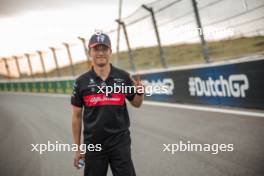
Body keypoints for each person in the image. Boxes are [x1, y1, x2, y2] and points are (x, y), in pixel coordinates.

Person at [71, 32, 144, 176]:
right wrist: (77, 149)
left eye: (104, 49)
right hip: (94, 145)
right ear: (89, 52)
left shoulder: (123, 77)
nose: (100, 53)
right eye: (96, 49)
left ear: (110, 51)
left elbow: (137, 103)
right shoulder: (81, 82)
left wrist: (140, 92)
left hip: (120, 142)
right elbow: (76, 117)